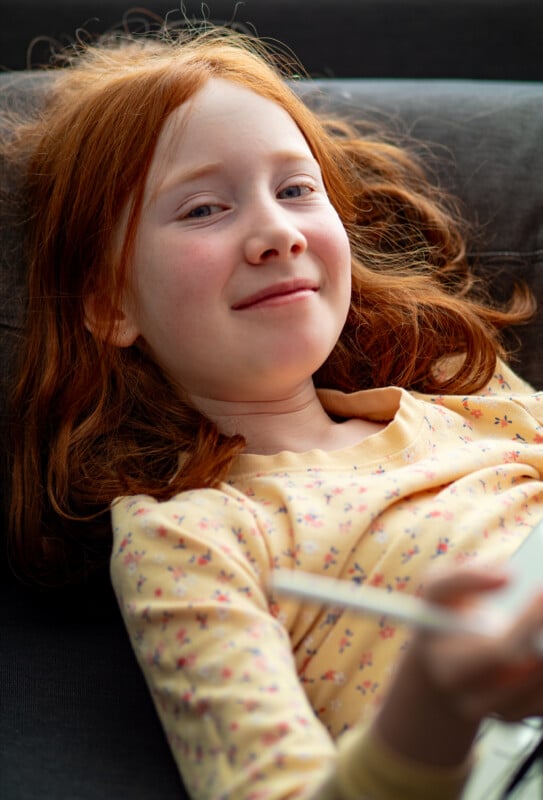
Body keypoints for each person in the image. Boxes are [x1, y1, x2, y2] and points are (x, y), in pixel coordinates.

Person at [4, 25, 543, 800]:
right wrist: (430, 708)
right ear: (109, 303)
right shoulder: (189, 537)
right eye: (201, 209)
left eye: (295, 190)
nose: (277, 233)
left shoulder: (473, 394)